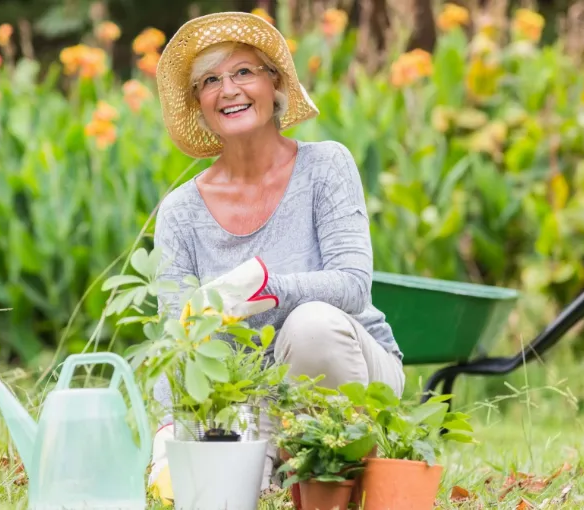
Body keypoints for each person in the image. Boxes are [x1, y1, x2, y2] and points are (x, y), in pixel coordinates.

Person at [145, 11, 406, 502]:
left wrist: (257, 291)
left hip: (351, 369)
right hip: (240, 402)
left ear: (275, 84)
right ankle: (276, 461)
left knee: (310, 324)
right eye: (210, 81)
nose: (229, 90)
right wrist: (166, 433)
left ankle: (331, 464)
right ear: (198, 104)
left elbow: (352, 285)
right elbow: (176, 337)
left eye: (244, 71)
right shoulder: (180, 211)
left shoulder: (326, 166)